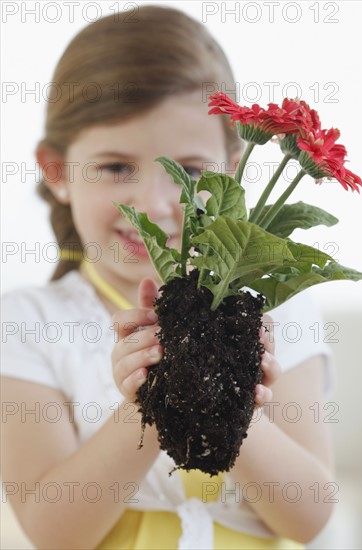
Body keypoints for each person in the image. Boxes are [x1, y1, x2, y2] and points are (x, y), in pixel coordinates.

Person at [1, 5, 336, 549]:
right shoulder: (27, 323)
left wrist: (229, 398)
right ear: (57, 172)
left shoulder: (276, 309)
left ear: (232, 166)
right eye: (115, 168)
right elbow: (52, 531)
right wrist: (152, 398)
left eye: (191, 172)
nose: (156, 204)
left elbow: (311, 517)